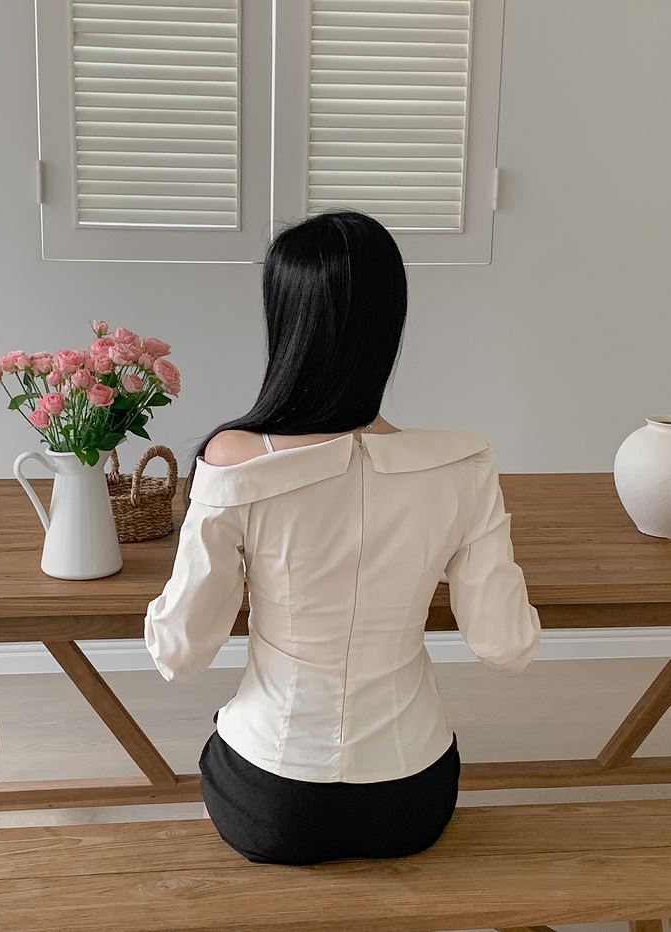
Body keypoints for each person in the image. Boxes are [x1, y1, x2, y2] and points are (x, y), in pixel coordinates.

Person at [144, 209, 541, 866]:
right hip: (412, 799)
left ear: (286, 321)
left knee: (227, 735)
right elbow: (507, 645)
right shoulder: (462, 463)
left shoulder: (235, 460)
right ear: (390, 320)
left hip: (275, 800)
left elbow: (181, 650)